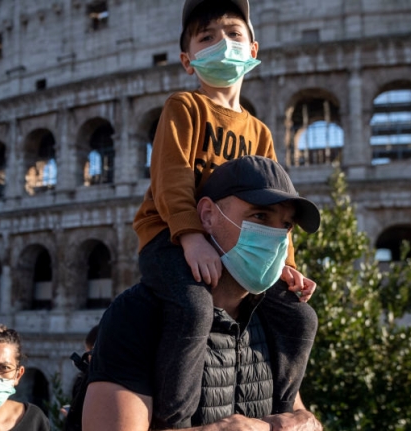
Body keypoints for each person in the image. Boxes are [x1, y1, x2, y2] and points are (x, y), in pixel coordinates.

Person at [132, 0, 319, 427]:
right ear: (187, 60)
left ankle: (285, 408)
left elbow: (277, 205)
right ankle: (176, 420)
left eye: (234, 34)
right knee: (195, 307)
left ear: (253, 50)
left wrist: (286, 265)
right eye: (207, 37)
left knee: (299, 316)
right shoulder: (184, 107)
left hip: (233, 243)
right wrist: (191, 236)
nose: (223, 44)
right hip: (169, 235)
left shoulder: (259, 131)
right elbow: (171, 179)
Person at [86, 156, 323, 430]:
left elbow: (297, 412)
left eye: (286, 225)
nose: (276, 237)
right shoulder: (136, 316)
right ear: (208, 215)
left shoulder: (275, 319)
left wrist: (309, 422)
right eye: (260, 216)